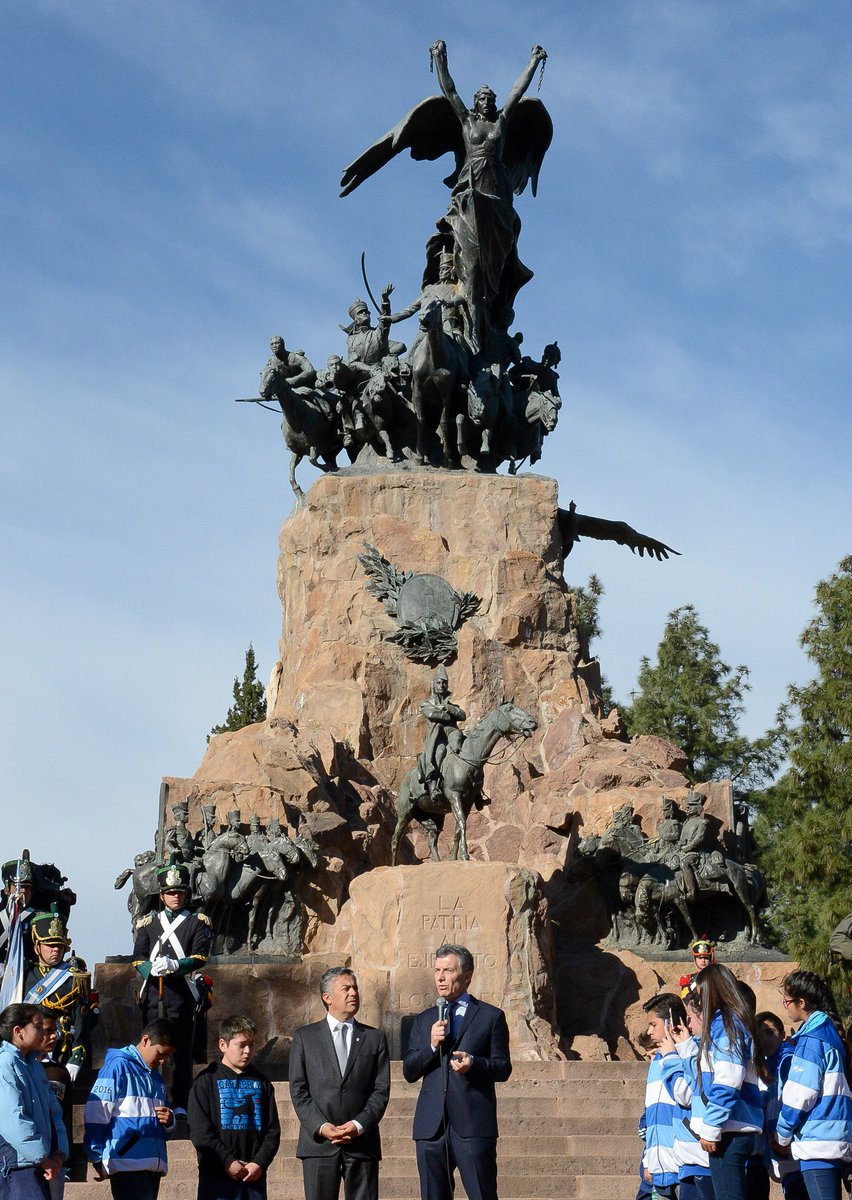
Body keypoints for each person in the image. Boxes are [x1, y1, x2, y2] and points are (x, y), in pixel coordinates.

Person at [403, 943, 512, 1200]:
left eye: (448, 970)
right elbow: (409, 1071)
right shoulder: (423, 1020)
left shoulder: (490, 1017)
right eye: (437, 970)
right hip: (431, 1128)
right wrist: (431, 1045)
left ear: (466, 975)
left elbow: (503, 1067)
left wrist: (474, 1063)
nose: (440, 977)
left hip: (473, 1124)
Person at [289, 967, 389, 1200]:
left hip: (362, 1143)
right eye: (346, 988)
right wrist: (322, 1127)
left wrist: (358, 1124)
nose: (353, 993)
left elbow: (381, 1090)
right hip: (318, 1144)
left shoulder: (374, 1038)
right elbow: (298, 1089)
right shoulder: (305, 1037)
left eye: (355, 988)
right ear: (328, 997)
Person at [132, 858, 212, 1114]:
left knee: (181, 1050)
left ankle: (179, 1102)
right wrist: (149, 969)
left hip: (180, 994)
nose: (175, 897)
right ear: (162, 896)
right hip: (153, 993)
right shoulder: (148, 923)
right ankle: (150, 1097)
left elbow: (201, 956)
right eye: (170, 893)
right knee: (150, 1047)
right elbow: (138, 957)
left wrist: (177, 965)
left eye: (179, 892)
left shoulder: (197, 922)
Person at [684, 963, 766, 1200]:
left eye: (701, 993)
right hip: (729, 1129)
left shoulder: (726, 1024)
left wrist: (711, 1128)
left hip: (729, 1131)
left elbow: (728, 1079)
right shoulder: (728, 1023)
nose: (699, 1000)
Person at [772, 970, 852, 1200]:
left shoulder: (812, 1039)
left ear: (802, 1002)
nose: (784, 1006)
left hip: (818, 1142)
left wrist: (782, 1135)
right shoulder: (830, 1032)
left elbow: (801, 1094)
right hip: (835, 1137)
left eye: (786, 1001)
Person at [83, 1018, 178, 1200]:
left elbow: (163, 1121)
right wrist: (96, 1156)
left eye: (168, 1056)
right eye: (161, 1053)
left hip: (152, 1163)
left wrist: (170, 1120)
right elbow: (96, 1113)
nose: (163, 1060)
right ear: (145, 1040)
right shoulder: (117, 1066)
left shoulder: (156, 1078)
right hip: (126, 1162)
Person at [188, 1014, 280, 1200]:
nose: (247, 1051)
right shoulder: (206, 1081)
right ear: (223, 1045)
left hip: (252, 1177)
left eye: (251, 1045)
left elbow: (272, 1131)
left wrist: (259, 1163)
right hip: (216, 1177)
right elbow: (200, 1131)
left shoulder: (262, 1083)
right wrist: (227, 1161)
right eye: (241, 1045)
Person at [0, 1002, 68, 1200]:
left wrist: (59, 1154)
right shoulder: (5, 1065)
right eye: (38, 1027)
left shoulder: (35, 1066)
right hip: (17, 1166)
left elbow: (54, 1113)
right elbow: (13, 1119)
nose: (45, 1033)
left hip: (42, 1164)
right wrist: (42, 1158)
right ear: (18, 1031)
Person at [24, 911, 95, 1080]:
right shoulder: (24, 975)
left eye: (60, 945)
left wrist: (77, 1056)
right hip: (30, 1048)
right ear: (37, 947)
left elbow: (81, 1019)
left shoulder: (74, 977)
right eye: (50, 944)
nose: (56, 949)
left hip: (61, 1048)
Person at [640, 993, 690, 1199]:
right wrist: (648, 1159)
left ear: (670, 1021)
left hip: (682, 1166)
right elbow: (652, 1117)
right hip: (658, 1169)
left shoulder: (687, 1053)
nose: (649, 1031)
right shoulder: (655, 1063)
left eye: (654, 1024)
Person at [415, 668, 466, 802]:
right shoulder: (426, 704)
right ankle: (433, 788)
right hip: (437, 738)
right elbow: (432, 714)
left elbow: (462, 715)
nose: (442, 685)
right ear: (433, 684)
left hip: (453, 734)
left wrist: (447, 707)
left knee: (465, 747)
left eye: (444, 683)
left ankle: (477, 791)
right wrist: (446, 714)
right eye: (439, 683)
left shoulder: (451, 705)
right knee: (439, 752)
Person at [36, 1014, 72, 1200]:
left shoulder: (59, 1072)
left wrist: (64, 1158)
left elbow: (65, 1118)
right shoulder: (13, 1068)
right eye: (47, 1031)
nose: (54, 1036)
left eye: (54, 1031)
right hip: (25, 1158)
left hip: (55, 1157)